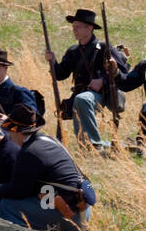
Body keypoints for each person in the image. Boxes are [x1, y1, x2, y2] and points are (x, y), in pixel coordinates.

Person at [0, 104, 94, 231]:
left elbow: (17, 190)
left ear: (17, 131)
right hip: (81, 210)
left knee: (8, 205)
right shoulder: (49, 140)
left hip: (67, 213)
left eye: (10, 131)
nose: (9, 135)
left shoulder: (29, 152)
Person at [44, 8, 127, 150]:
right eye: (73, 27)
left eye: (77, 27)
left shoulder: (104, 47)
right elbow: (61, 74)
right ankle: (86, 146)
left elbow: (123, 73)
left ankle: (94, 144)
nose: (74, 30)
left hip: (102, 94)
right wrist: (52, 61)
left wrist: (103, 80)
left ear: (89, 28)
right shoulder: (73, 51)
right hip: (80, 95)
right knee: (80, 99)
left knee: (82, 99)